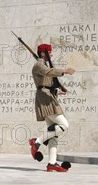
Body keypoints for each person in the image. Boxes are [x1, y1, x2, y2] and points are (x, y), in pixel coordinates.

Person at [28, 44, 75, 172]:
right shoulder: (39, 65)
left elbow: (46, 84)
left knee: (54, 133)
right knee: (64, 125)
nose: (52, 54)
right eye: (50, 52)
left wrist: (58, 91)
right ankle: (36, 141)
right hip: (45, 99)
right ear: (43, 53)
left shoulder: (42, 65)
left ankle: (52, 163)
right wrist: (64, 71)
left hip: (48, 96)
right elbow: (48, 73)